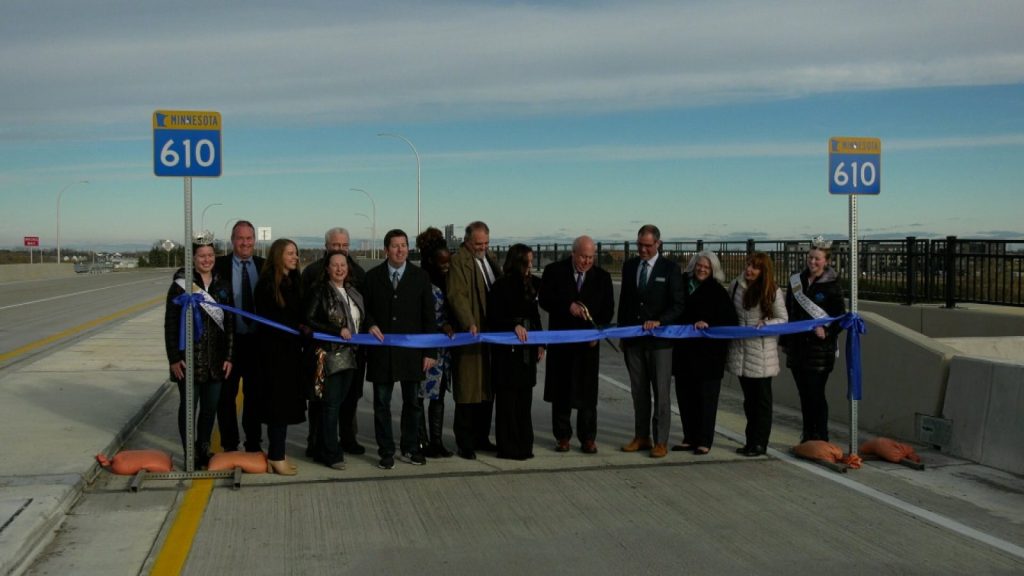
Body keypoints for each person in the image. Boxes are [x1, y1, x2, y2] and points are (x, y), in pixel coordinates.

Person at [363, 229, 438, 469]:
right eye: (395, 246)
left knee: (412, 403)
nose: (400, 250)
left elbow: (429, 316)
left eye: (404, 245)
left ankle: (410, 448)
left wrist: (430, 351)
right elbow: (364, 310)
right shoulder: (372, 277)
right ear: (386, 250)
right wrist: (370, 323)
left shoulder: (420, 277)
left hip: (411, 353)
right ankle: (386, 451)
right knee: (381, 404)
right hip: (382, 352)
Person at [539, 235, 614, 454]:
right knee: (561, 390)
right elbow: (544, 299)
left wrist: (597, 333)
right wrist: (567, 306)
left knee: (587, 394)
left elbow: (608, 310)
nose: (587, 261)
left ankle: (588, 438)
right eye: (583, 257)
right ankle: (562, 436)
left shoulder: (602, 277)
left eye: (591, 257)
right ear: (573, 253)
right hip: (562, 343)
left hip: (588, 345)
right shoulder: (554, 271)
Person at [163, 236, 233, 469]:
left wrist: (229, 357)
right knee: (189, 408)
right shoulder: (180, 285)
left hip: (216, 360)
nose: (207, 260)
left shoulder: (223, 285)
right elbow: (170, 325)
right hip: (188, 360)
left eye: (210, 255)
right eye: (202, 256)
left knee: (210, 409)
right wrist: (174, 358)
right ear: (192, 258)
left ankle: (203, 448)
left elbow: (229, 324)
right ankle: (189, 453)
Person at [618, 224, 685, 458]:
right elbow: (625, 302)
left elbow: (678, 304)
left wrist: (660, 321)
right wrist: (623, 333)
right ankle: (641, 436)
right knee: (639, 392)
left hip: (660, 342)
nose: (643, 250)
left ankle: (661, 440)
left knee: (661, 393)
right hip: (634, 341)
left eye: (647, 245)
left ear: (658, 244)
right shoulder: (629, 266)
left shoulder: (670, 269)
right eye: (639, 245)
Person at [301, 227, 368, 457]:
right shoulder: (312, 273)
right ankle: (316, 442)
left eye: (344, 245)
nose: (340, 249)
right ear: (326, 246)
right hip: (325, 352)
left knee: (350, 397)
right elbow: (307, 314)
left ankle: (348, 438)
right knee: (321, 400)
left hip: (354, 351)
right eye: (336, 245)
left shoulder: (358, 273)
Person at [672, 251, 737, 455]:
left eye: (707, 267)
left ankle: (704, 440)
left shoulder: (717, 291)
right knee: (685, 397)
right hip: (684, 352)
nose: (702, 269)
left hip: (709, 356)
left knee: (706, 399)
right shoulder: (682, 285)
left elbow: (730, 321)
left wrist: (708, 323)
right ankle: (689, 437)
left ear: (713, 270)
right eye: (699, 265)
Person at [447, 221, 502, 459]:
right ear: (468, 241)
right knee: (468, 390)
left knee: (487, 390)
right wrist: (469, 322)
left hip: (491, 334)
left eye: (486, 243)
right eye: (479, 243)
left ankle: (482, 437)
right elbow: (456, 295)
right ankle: (465, 442)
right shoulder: (459, 261)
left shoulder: (490, 258)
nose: (483, 247)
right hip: (471, 335)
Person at [783, 237, 846, 443]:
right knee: (804, 394)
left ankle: (821, 436)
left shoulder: (832, 285)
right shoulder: (796, 281)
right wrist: (785, 341)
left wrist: (826, 331)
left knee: (816, 393)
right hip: (797, 347)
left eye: (817, 259)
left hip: (820, 350)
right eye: (810, 257)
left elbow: (840, 317)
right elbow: (788, 311)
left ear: (826, 261)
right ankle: (808, 435)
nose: (812, 262)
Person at [254, 238, 308, 475]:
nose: (295, 257)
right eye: (290, 253)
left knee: (285, 405)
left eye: (296, 253)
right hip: (273, 355)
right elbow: (272, 320)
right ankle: (276, 456)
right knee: (277, 405)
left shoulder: (294, 281)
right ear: (278, 256)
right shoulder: (267, 285)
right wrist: (297, 327)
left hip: (291, 354)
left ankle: (279, 452)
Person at [726, 252, 788, 457]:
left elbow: (783, 319)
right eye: (748, 265)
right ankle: (750, 441)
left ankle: (760, 443)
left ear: (763, 271)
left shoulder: (772, 290)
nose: (749, 270)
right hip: (740, 351)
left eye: (754, 267)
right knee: (749, 402)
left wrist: (767, 324)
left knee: (761, 402)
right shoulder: (735, 286)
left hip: (761, 353)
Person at [488, 244, 545, 460]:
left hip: (527, 350)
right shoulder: (500, 286)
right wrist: (513, 325)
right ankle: (508, 447)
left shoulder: (533, 284)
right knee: (507, 401)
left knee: (524, 401)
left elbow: (536, 315)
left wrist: (541, 342)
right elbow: (493, 316)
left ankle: (524, 445)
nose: (530, 265)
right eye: (527, 261)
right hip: (506, 352)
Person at [214, 220, 264, 453]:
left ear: (255, 240)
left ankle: (253, 443)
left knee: (255, 397)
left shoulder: (265, 266)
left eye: (249, 238)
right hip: (228, 345)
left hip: (256, 343)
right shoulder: (218, 266)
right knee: (226, 397)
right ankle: (230, 444)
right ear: (232, 240)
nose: (245, 243)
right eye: (240, 238)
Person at [415, 227, 455, 458]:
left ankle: (437, 442)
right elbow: (417, 317)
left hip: (444, 350)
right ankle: (421, 440)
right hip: (425, 348)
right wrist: (439, 327)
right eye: (442, 263)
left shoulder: (449, 280)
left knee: (439, 395)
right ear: (431, 260)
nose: (446, 266)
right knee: (420, 395)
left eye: (449, 262)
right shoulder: (421, 282)